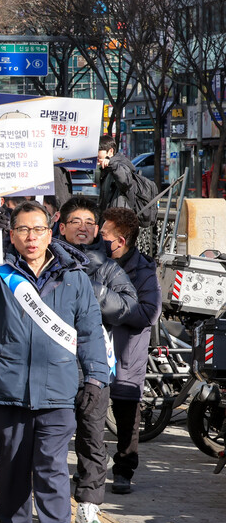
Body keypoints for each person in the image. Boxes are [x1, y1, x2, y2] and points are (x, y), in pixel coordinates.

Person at [0, 201, 108, 523]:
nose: (31, 237)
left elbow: (90, 330)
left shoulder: (74, 276)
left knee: (52, 469)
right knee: (12, 465)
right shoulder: (2, 270)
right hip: (8, 387)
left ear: (50, 231)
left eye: (38, 229)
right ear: (11, 234)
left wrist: (95, 377)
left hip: (57, 390)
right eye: (22, 230)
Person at [57, 197, 137, 523]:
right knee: (53, 441)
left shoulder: (108, 267)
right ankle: (55, 503)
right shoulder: (44, 262)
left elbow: (128, 305)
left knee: (92, 439)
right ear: (60, 227)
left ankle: (88, 506)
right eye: (75, 220)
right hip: (55, 366)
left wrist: (88, 288)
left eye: (90, 221)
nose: (83, 227)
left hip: (94, 368)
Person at [100, 207, 160, 495]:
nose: (99, 239)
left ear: (120, 241)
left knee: (127, 420)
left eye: (104, 235)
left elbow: (149, 312)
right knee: (90, 417)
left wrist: (108, 307)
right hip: (95, 354)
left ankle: (124, 469)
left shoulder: (144, 271)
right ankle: (91, 469)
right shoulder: (93, 262)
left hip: (126, 356)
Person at [96, 135, 140, 214]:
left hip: (119, 220)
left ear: (110, 151)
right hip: (110, 218)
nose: (96, 154)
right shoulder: (108, 169)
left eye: (99, 150)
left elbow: (124, 181)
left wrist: (112, 164)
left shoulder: (120, 165)